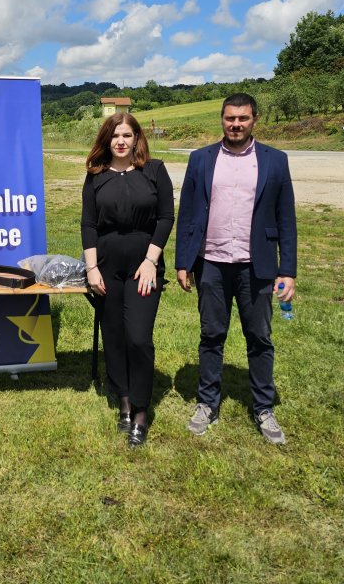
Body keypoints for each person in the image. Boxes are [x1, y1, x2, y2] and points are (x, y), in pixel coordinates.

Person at [174, 92, 296, 445]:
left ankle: (263, 407)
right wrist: (183, 262)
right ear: (222, 120)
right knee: (212, 335)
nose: (236, 124)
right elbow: (188, 214)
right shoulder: (201, 159)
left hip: (256, 265)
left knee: (259, 337)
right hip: (211, 262)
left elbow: (286, 218)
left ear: (255, 119)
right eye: (230, 118)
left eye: (243, 118)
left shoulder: (275, 160)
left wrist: (287, 270)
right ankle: (207, 403)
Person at [81, 113, 174, 447]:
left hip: (143, 267)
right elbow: (88, 224)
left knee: (138, 337)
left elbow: (166, 218)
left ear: (137, 138)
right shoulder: (96, 176)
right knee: (115, 336)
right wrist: (92, 268)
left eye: (126, 135)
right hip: (106, 267)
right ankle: (123, 400)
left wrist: (151, 260)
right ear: (107, 140)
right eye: (114, 135)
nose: (120, 141)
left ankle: (140, 410)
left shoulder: (155, 171)